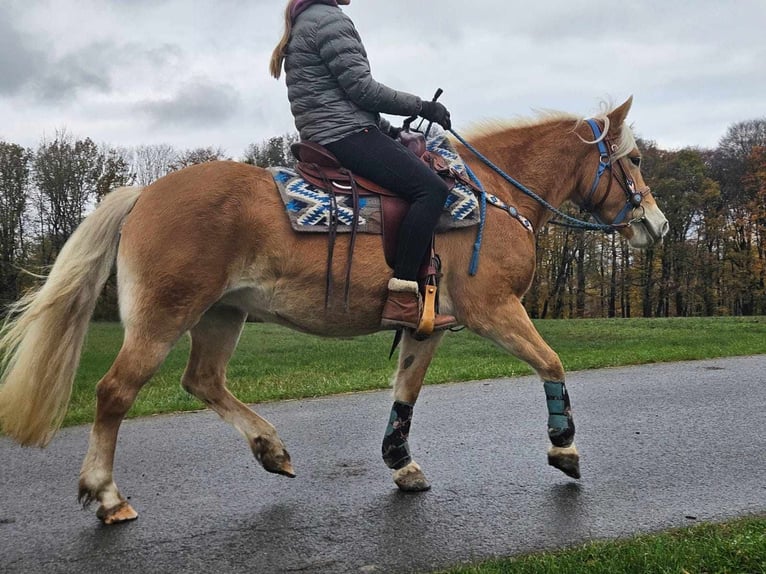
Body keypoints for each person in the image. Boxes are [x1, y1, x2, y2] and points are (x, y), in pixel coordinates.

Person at [269, 0, 457, 332]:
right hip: (344, 135)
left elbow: (344, 100)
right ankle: (402, 300)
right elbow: (363, 90)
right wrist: (423, 107)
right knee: (430, 190)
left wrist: (390, 132)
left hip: (333, 132)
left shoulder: (307, 20)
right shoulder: (329, 20)